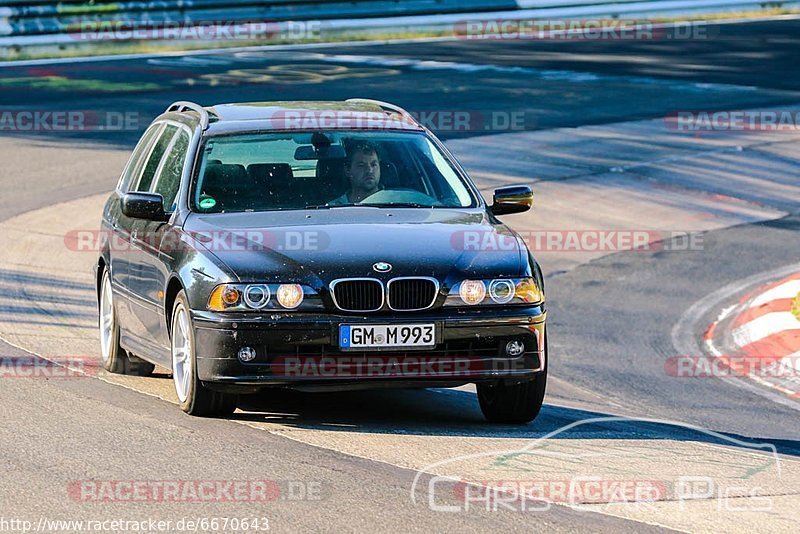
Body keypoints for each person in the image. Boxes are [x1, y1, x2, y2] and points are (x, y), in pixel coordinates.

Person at [328, 141, 381, 205]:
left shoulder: (394, 201)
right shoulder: (334, 208)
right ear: (348, 170)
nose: (369, 170)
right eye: (361, 165)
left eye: (374, 165)